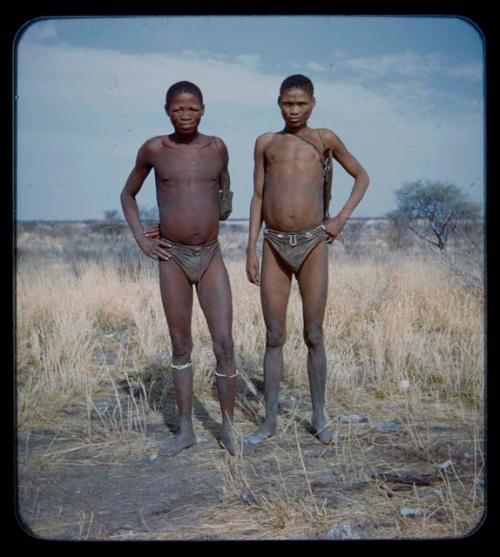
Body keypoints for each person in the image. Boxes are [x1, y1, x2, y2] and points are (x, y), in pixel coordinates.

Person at [245, 74, 370, 445]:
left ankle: (319, 416)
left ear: (313, 103)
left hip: (314, 243)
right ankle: (269, 421)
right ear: (277, 102)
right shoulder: (266, 143)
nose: (294, 110)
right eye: (287, 103)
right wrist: (250, 247)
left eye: (300, 103)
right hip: (274, 245)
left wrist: (340, 218)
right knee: (274, 335)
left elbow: (362, 177)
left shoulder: (324, 139)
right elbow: (256, 196)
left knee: (313, 333)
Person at [120, 81, 238, 456]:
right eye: (177, 109)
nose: (185, 115)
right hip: (172, 257)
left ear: (203, 109)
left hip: (210, 255)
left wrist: (200, 218)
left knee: (224, 343)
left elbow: (224, 198)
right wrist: (144, 238)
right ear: (167, 110)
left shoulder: (217, 148)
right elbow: (128, 194)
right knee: (181, 344)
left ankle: (229, 429)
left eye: (192, 109)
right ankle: (186, 430)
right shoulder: (154, 149)